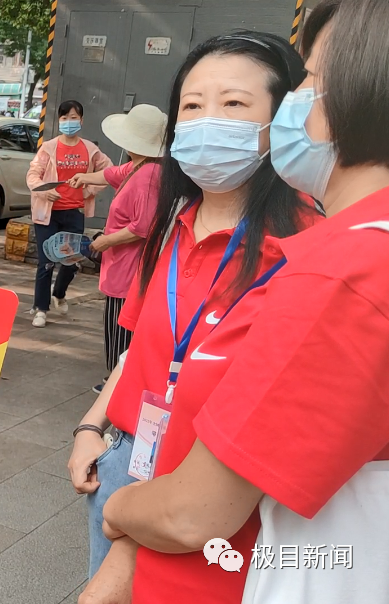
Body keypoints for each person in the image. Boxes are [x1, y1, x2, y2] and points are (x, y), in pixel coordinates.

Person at [101, 2, 389, 602]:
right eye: (193, 105)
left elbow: (195, 514)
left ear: (363, 88)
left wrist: (122, 513)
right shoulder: (175, 224)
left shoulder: (336, 265)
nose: (299, 103)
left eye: (309, 79)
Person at [70, 31, 319, 604]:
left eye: (233, 104)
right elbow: (141, 349)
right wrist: (91, 428)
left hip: (223, 490)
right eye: (192, 105)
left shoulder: (308, 243)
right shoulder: (173, 224)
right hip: (126, 461)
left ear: (281, 119)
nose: (209, 120)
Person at [67, 104, 168, 393]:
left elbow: (142, 226)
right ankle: (118, 380)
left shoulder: (148, 175)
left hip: (128, 268)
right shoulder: (141, 165)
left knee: (120, 326)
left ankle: (118, 383)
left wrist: (104, 241)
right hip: (123, 265)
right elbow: (111, 174)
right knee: (119, 324)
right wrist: (85, 177)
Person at [26, 99, 112, 328]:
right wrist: (45, 192)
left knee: (71, 260)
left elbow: (109, 171)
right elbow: (33, 175)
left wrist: (89, 190)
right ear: (59, 121)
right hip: (48, 213)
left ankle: (60, 293)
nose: (68, 122)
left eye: (73, 118)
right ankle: (41, 309)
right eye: (64, 118)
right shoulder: (49, 148)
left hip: (74, 212)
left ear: (81, 120)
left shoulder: (90, 150)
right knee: (46, 261)